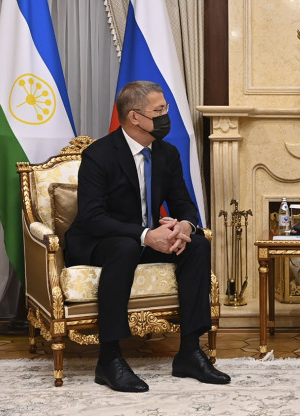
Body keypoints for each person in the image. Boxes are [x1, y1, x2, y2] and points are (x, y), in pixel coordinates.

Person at [65, 81, 230, 393]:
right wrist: (145, 235)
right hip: (100, 240)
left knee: (197, 245)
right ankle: (109, 359)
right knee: (125, 247)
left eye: (166, 108)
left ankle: (189, 352)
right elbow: (92, 217)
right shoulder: (99, 154)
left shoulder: (167, 153)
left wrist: (185, 227)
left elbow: (184, 204)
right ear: (134, 117)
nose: (167, 116)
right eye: (159, 110)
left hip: (145, 238)